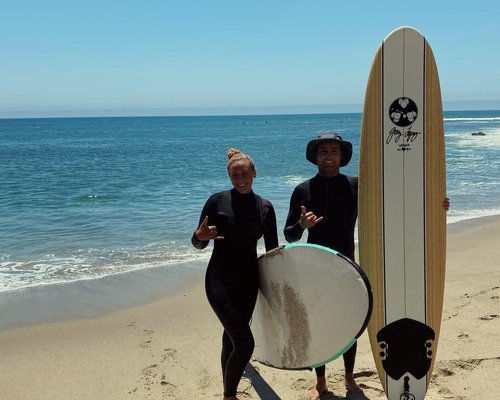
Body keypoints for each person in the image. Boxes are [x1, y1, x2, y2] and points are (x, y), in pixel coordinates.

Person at [192, 148, 279, 400]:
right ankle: (229, 395)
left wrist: (278, 285)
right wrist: (199, 237)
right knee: (245, 343)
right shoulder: (217, 201)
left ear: (254, 173)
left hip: (249, 281)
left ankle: (227, 388)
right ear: (228, 175)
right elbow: (198, 242)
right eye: (234, 174)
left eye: (245, 173)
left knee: (232, 339)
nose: (240, 178)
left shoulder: (265, 207)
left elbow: (272, 251)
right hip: (219, 279)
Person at [284, 131, 361, 398]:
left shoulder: (356, 185)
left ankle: (350, 377)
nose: (329, 157)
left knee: (350, 323)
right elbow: (289, 235)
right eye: (324, 151)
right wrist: (301, 225)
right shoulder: (303, 190)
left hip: (346, 266)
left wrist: (437, 205)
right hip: (314, 268)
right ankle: (320, 382)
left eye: (334, 151)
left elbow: (390, 206)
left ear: (342, 156)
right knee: (315, 324)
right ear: (315, 157)